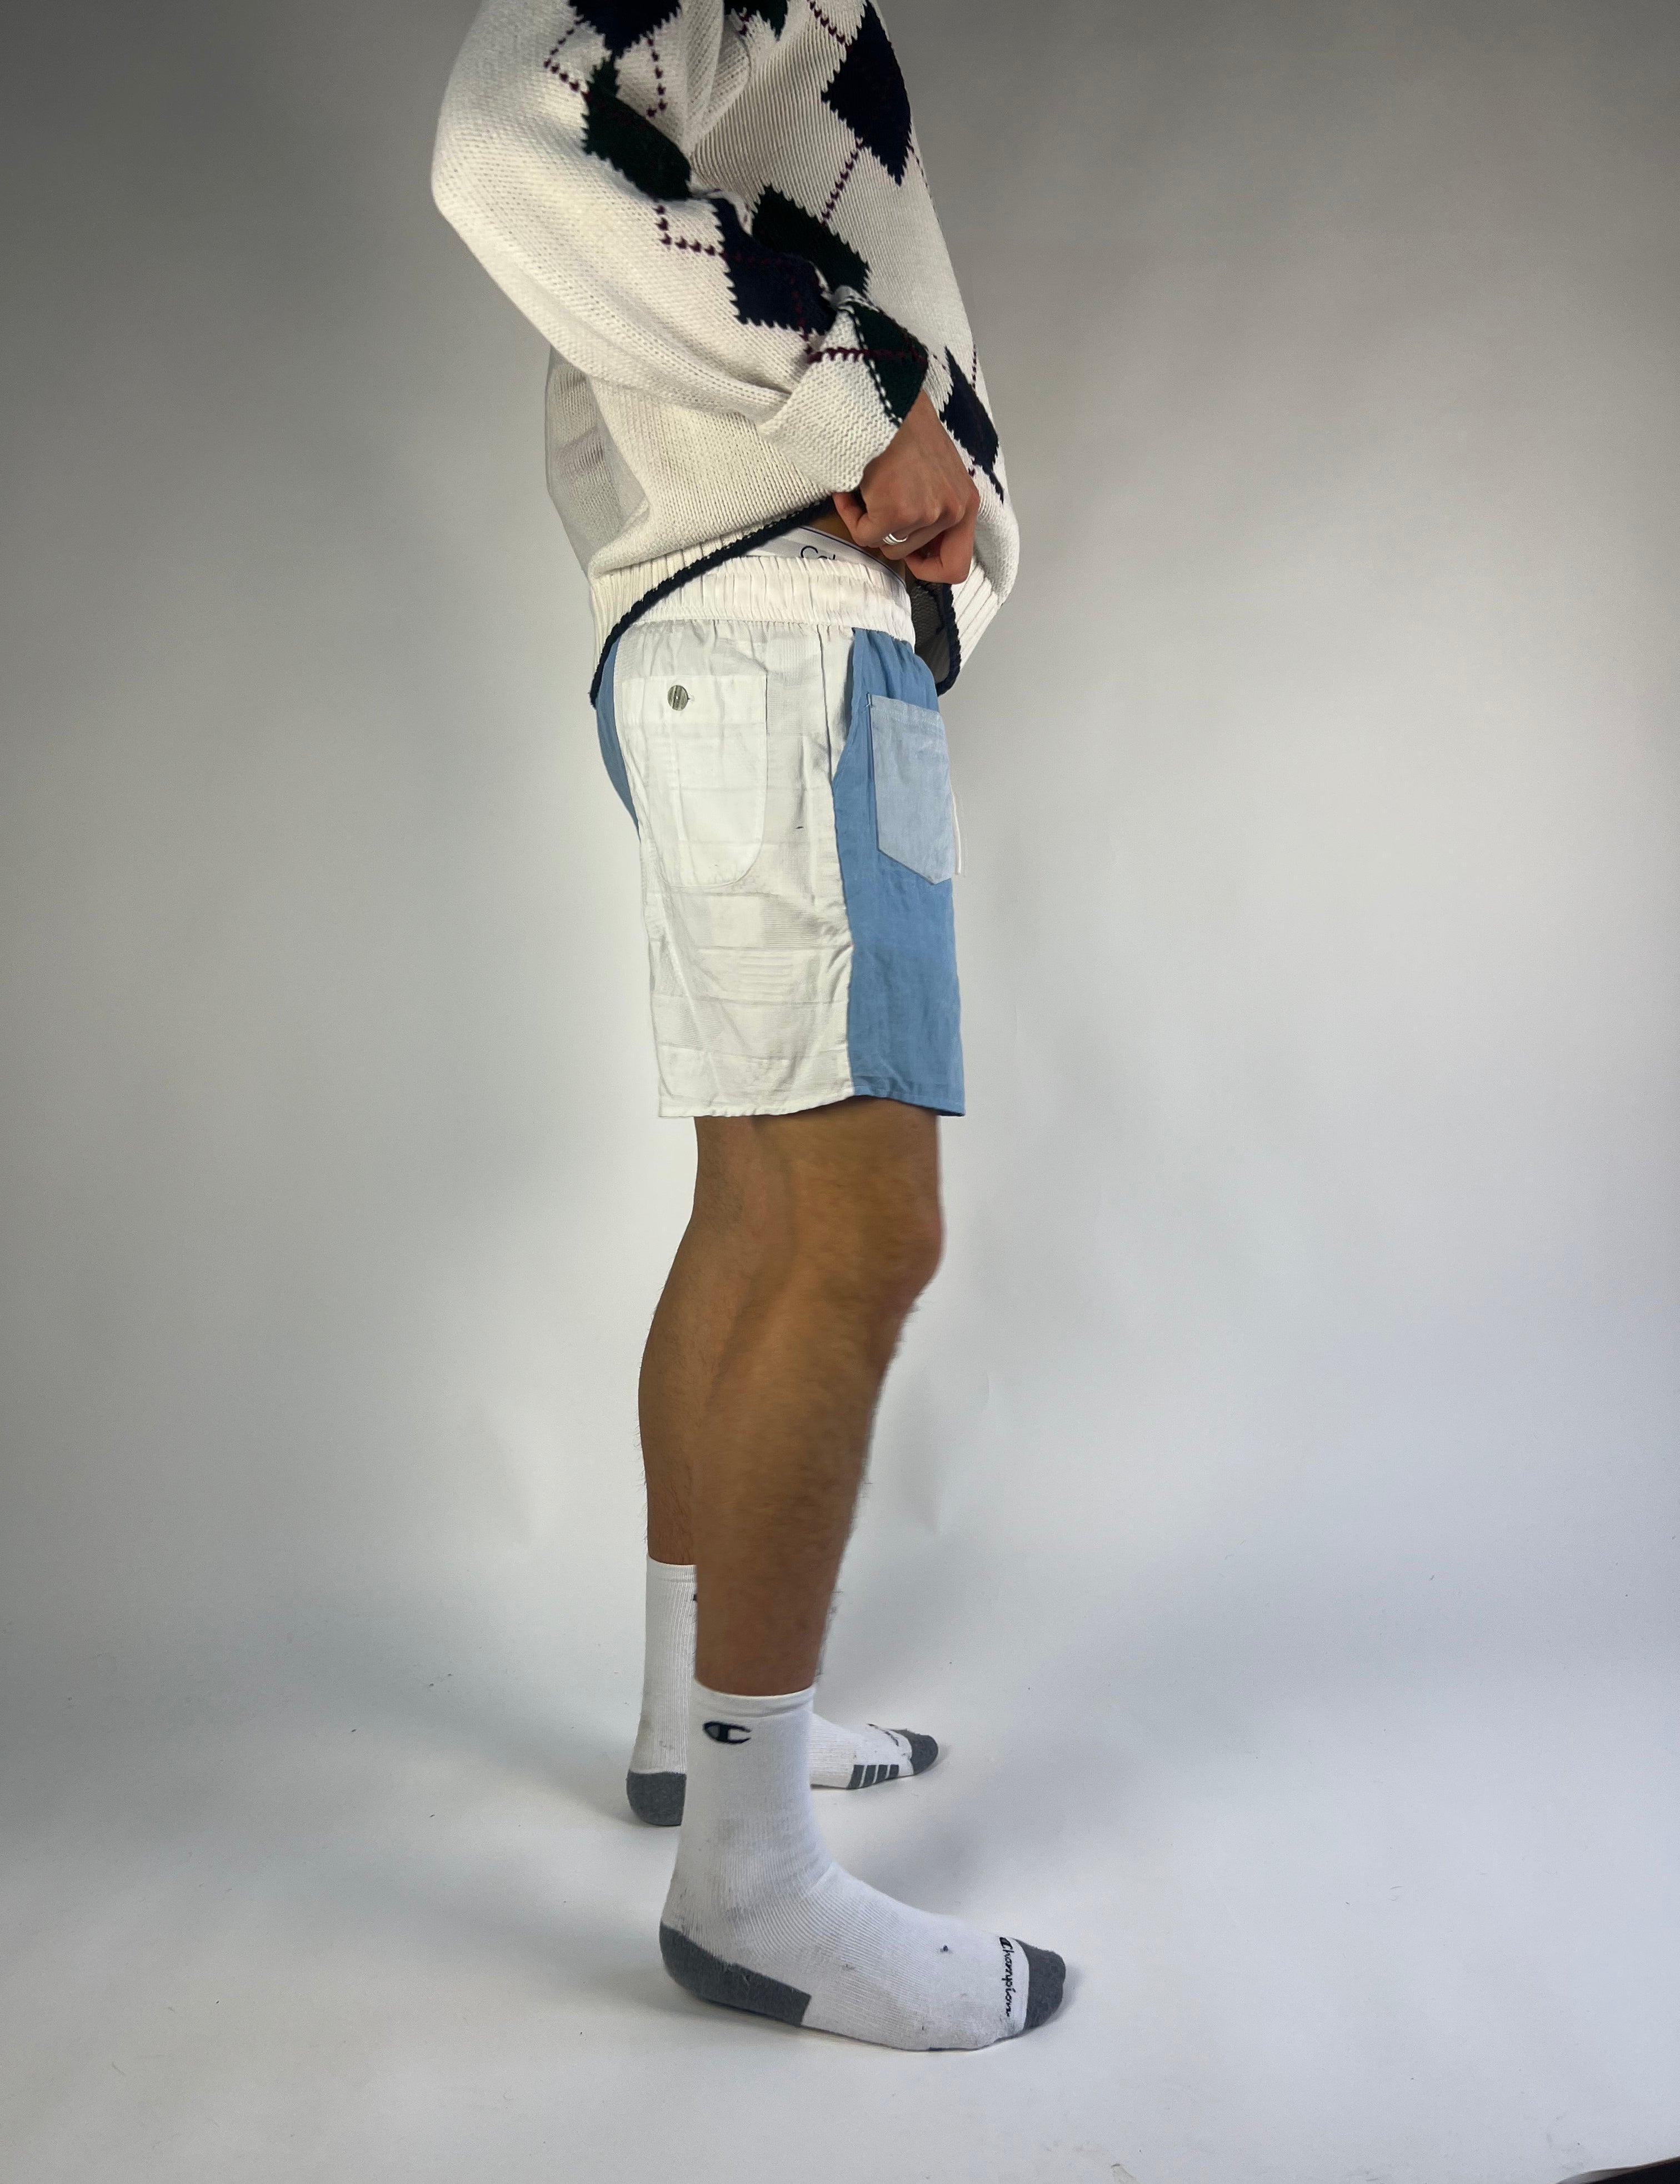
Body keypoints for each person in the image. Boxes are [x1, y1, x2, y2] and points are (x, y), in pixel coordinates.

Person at [432, 0, 1064, 2050]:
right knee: (858, 1237)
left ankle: (686, 1729)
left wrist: (883, 444)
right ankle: (753, 1879)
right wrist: (864, 407)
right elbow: (500, 144)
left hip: (740, 634)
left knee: (753, 1217)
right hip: (783, 631)